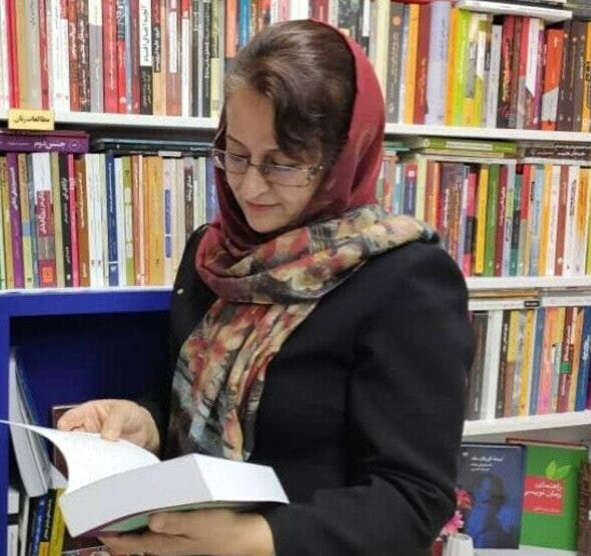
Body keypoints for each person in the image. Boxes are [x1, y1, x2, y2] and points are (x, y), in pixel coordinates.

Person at [56, 19, 473, 556]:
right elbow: (190, 407)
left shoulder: (406, 281)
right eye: (235, 153)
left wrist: (253, 539)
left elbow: (413, 500)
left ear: (342, 156)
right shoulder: (212, 255)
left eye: (283, 164)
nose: (250, 186)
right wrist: (145, 425)